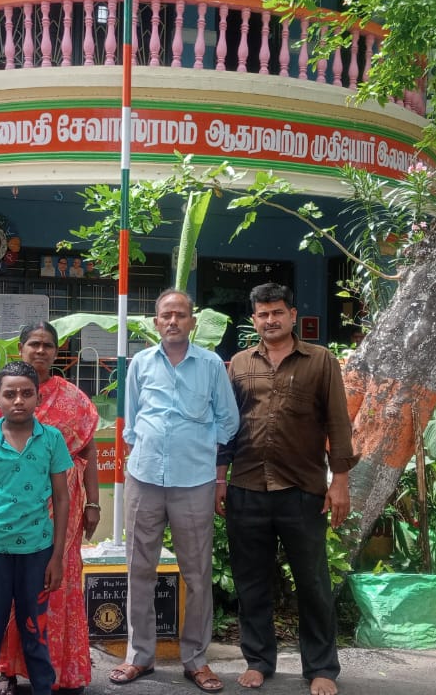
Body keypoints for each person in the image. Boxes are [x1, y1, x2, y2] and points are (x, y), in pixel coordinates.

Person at [218, 283, 355, 695]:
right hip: (247, 486)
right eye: (262, 314)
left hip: (302, 489)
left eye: (277, 312)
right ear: (254, 319)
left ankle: (321, 668)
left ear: (292, 315)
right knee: (251, 581)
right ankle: (259, 661)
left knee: (312, 582)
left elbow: (338, 422)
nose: (270, 320)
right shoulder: (239, 364)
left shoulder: (320, 361)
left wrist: (340, 481)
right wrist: (220, 478)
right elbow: (226, 426)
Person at [109, 289, 239, 693]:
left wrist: (199, 448)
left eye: (180, 315)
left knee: (197, 574)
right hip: (144, 478)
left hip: (194, 481)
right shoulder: (141, 363)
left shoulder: (211, 364)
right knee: (139, 569)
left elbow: (228, 420)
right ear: (156, 321)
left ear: (192, 322)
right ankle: (139, 656)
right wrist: (143, 448)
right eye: (166, 315)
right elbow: (131, 420)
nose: (173, 321)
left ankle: (196, 660)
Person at [0, 323, 100, 695]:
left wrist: (93, 502)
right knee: (9, 595)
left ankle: (64, 672)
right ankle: (7, 670)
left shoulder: (74, 397)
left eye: (48, 345)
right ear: (21, 348)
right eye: (34, 344)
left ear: (56, 351)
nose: (41, 350)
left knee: (59, 587)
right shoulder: (0, 395)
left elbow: (89, 449)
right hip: (11, 516)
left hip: (64, 509)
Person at [0, 361, 73, 695]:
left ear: (38, 398)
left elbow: (62, 498)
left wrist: (56, 557)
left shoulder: (51, 439)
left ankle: (43, 688)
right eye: (10, 394)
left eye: (27, 393)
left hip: (37, 553)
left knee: (34, 630)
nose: (18, 400)